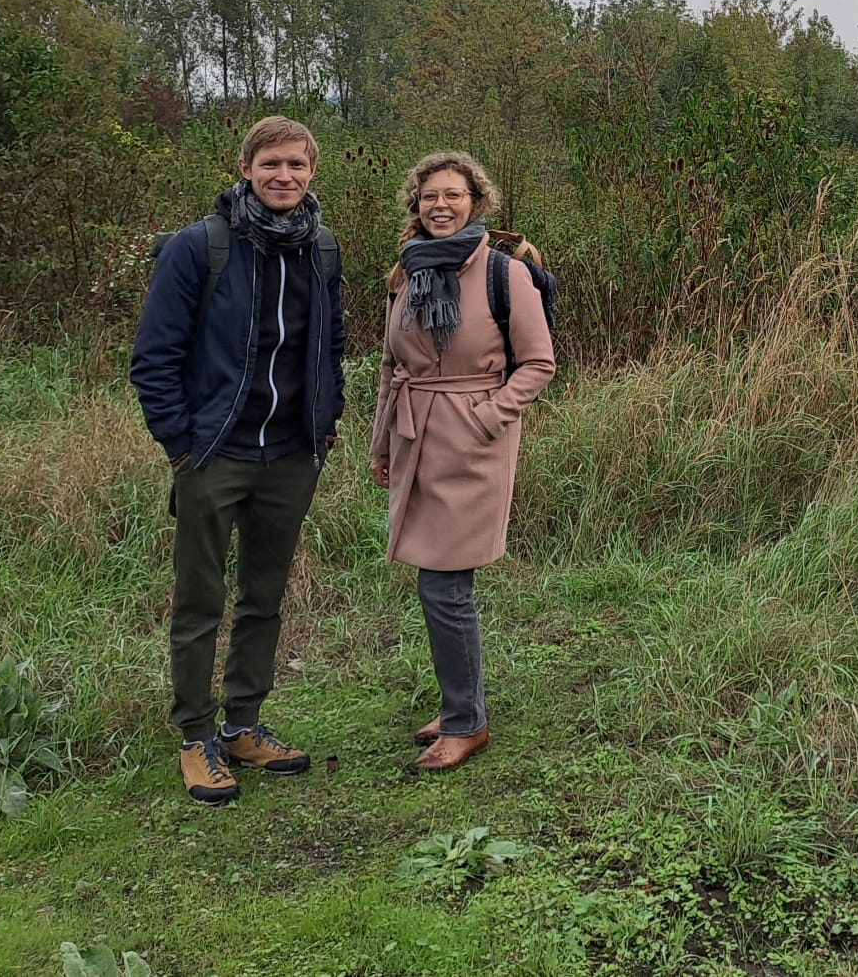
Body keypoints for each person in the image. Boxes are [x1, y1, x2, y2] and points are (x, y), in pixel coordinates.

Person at [131, 115, 346, 804]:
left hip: (291, 454)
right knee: (199, 600)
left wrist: (326, 423)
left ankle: (243, 724)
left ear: (312, 172)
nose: (284, 176)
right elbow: (154, 356)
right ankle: (196, 736)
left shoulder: (321, 247)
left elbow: (331, 344)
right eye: (271, 164)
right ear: (246, 168)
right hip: (214, 453)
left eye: (297, 164)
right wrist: (181, 445)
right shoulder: (201, 246)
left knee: (265, 598)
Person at [370, 150, 555, 772]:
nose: (440, 205)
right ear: (415, 205)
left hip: (474, 443)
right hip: (415, 436)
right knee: (441, 583)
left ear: (476, 202)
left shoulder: (506, 273)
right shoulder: (406, 271)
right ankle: (461, 705)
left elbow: (538, 363)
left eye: (453, 194)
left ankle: (466, 723)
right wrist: (381, 444)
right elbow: (392, 366)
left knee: (444, 584)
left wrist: (486, 417)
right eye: (429, 196)